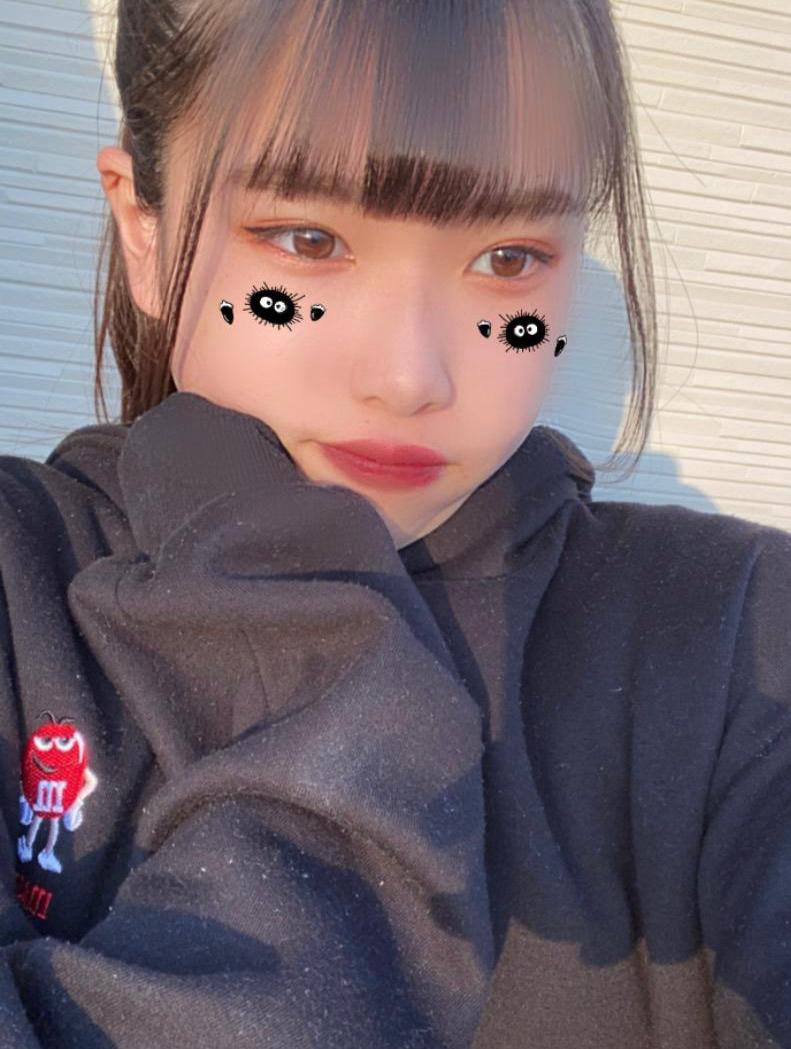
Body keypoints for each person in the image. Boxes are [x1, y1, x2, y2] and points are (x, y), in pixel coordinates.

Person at [2, 0, 790, 1046]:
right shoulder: (20, 578)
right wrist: (319, 646)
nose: (410, 376)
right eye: (307, 239)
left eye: (507, 258)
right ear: (143, 230)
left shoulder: (735, 634)